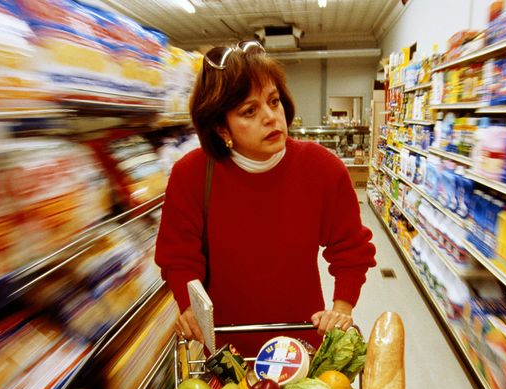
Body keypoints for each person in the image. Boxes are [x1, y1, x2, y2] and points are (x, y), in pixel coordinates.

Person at [155, 41, 376, 356]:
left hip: (300, 346)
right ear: (220, 126)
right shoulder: (190, 175)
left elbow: (351, 249)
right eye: (249, 110)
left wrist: (342, 308)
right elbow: (178, 257)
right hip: (225, 351)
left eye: (274, 101)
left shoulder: (322, 168)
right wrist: (188, 305)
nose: (271, 117)